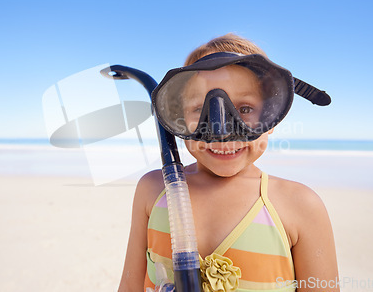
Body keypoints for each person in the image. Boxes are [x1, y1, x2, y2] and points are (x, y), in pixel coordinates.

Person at [118, 33, 339, 292]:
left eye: (244, 109)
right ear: (177, 118)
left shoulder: (300, 206)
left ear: (272, 115)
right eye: (201, 109)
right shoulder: (154, 189)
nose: (220, 130)